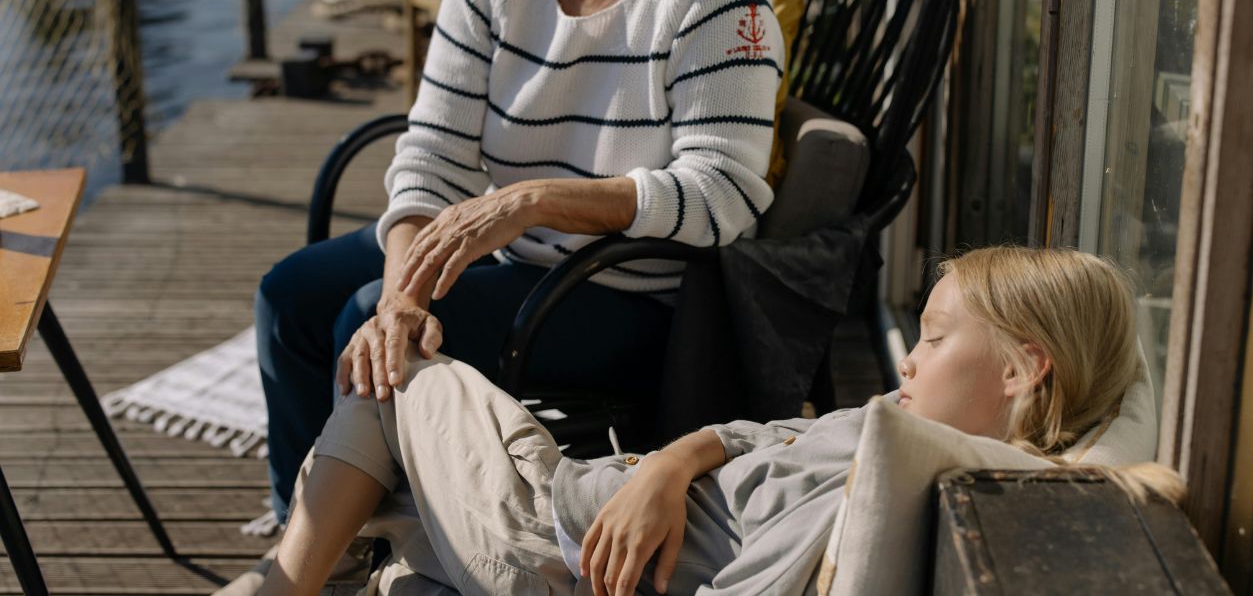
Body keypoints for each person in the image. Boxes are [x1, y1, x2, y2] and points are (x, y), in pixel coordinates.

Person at [254, 0, 785, 529]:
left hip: (625, 289)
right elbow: (433, 155)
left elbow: (724, 196)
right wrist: (402, 294)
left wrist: (535, 200)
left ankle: (356, 540)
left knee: (361, 320)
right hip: (507, 252)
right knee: (291, 296)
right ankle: (305, 526)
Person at [251, 245, 1165, 596]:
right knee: (404, 541)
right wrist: (670, 464)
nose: (910, 357)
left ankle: (281, 585)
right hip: (580, 492)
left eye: (931, 337)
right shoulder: (899, 418)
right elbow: (763, 437)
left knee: (390, 361)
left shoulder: (897, 473)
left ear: (1020, 368)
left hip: (553, 535)